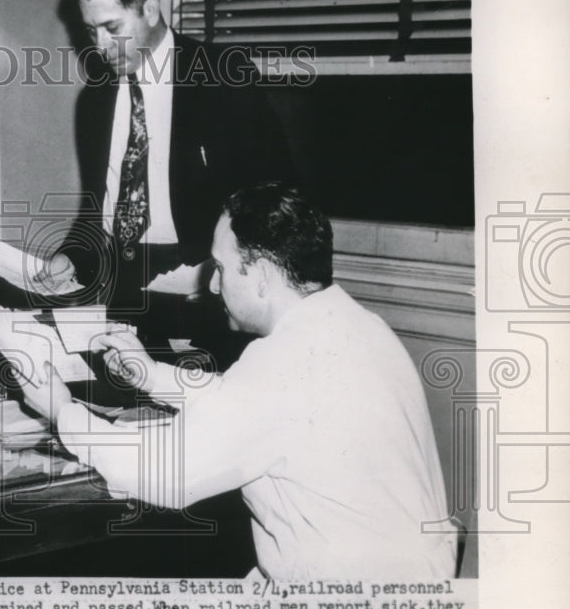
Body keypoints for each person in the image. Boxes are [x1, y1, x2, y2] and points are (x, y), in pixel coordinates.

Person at [22, 182, 457, 580]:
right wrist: (152, 375)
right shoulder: (356, 326)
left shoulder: (282, 362)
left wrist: (62, 409)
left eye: (221, 269)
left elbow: (166, 474)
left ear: (263, 276)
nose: (212, 285)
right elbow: (250, 404)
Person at [36, 0, 295, 354]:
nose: (99, 47)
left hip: (204, 296)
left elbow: (277, 200)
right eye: (90, 30)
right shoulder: (95, 100)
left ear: (151, 10)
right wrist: (69, 257)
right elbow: (98, 210)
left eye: (113, 28)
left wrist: (225, 276)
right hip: (115, 296)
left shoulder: (222, 80)